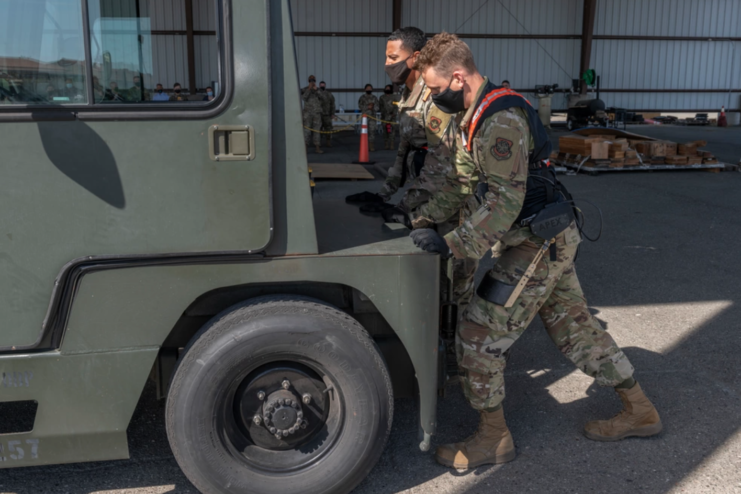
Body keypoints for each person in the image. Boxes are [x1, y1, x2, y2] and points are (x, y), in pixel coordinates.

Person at [412, 32, 662, 469]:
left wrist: (451, 244)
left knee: (477, 337)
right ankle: (640, 411)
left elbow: (504, 202)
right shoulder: (473, 116)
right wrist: (420, 219)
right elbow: (463, 184)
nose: (432, 97)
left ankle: (493, 439)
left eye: (434, 89)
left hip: (537, 241)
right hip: (542, 237)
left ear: (457, 77)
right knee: (575, 328)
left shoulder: (499, 120)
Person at [301, 75, 323, 154]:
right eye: (311, 80)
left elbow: (322, 97)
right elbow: (304, 98)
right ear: (308, 81)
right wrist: (309, 89)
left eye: (313, 80)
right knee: (306, 130)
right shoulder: (304, 89)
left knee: (317, 130)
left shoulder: (318, 90)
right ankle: (305, 148)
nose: (312, 82)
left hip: (316, 113)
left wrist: (316, 90)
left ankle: (317, 147)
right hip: (308, 114)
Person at [358, 84, 379, 151]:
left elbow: (377, 107)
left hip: (372, 117)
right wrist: (367, 107)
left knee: (372, 131)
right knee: (364, 132)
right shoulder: (362, 97)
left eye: (370, 88)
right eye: (368, 88)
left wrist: (372, 108)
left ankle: (371, 146)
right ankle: (364, 146)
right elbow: (360, 106)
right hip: (365, 117)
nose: (369, 89)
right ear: (365, 89)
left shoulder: (374, 98)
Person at [379, 84, 399, 149]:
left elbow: (396, 106)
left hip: (392, 116)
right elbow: (380, 106)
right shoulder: (382, 97)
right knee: (385, 130)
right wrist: (384, 113)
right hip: (384, 116)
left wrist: (394, 113)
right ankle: (386, 144)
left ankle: (392, 144)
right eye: (386, 88)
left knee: (392, 130)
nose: (387, 89)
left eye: (388, 88)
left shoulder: (394, 97)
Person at [318, 81, 336, 148]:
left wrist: (332, 113)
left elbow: (332, 104)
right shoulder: (316, 94)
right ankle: (318, 143)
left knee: (328, 129)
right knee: (318, 129)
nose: (322, 86)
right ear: (319, 86)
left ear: (325, 86)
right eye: (321, 85)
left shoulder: (329, 94)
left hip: (327, 115)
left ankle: (328, 142)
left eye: (323, 85)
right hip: (318, 115)